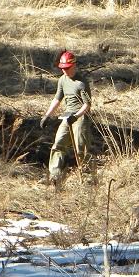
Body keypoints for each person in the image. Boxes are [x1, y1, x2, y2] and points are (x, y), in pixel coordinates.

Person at [40, 51, 93, 185]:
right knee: (58, 144)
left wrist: (76, 117)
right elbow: (57, 99)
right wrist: (47, 115)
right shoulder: (62, 80)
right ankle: (54, 175)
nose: (64, 71)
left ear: (74, 66)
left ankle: (87, 178)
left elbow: (87, 104)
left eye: (67, 68)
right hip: (67, 116)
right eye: (62, 68)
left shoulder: (82, 83)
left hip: (80, 117)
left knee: (81, 147)